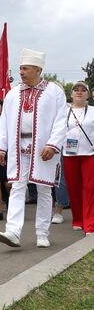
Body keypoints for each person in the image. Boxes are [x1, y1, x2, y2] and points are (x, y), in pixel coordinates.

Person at [0, 48, 66, 248]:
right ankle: (13, 231)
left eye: (25, 68)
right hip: (19, 148)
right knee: (17, 186)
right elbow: (5, 122)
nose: (21, 72)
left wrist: (52, 144)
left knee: (43, 189)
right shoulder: (13, 94)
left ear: (37, 69)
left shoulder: (54, 91)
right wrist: (1, 147)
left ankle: (42, 233)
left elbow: (61, 121)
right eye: (20, 68)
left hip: (44, 148)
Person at [62, 81, 94, 234]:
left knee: (90, 189)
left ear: (87, 94)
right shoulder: (64, 111)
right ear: (71, 94)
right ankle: (78, 219)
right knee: (73, 189)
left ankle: (90, 224)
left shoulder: (93, 111)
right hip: (70, 154)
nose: (79, 92)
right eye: (76, 90)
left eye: (83, 90)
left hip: (89, 154)